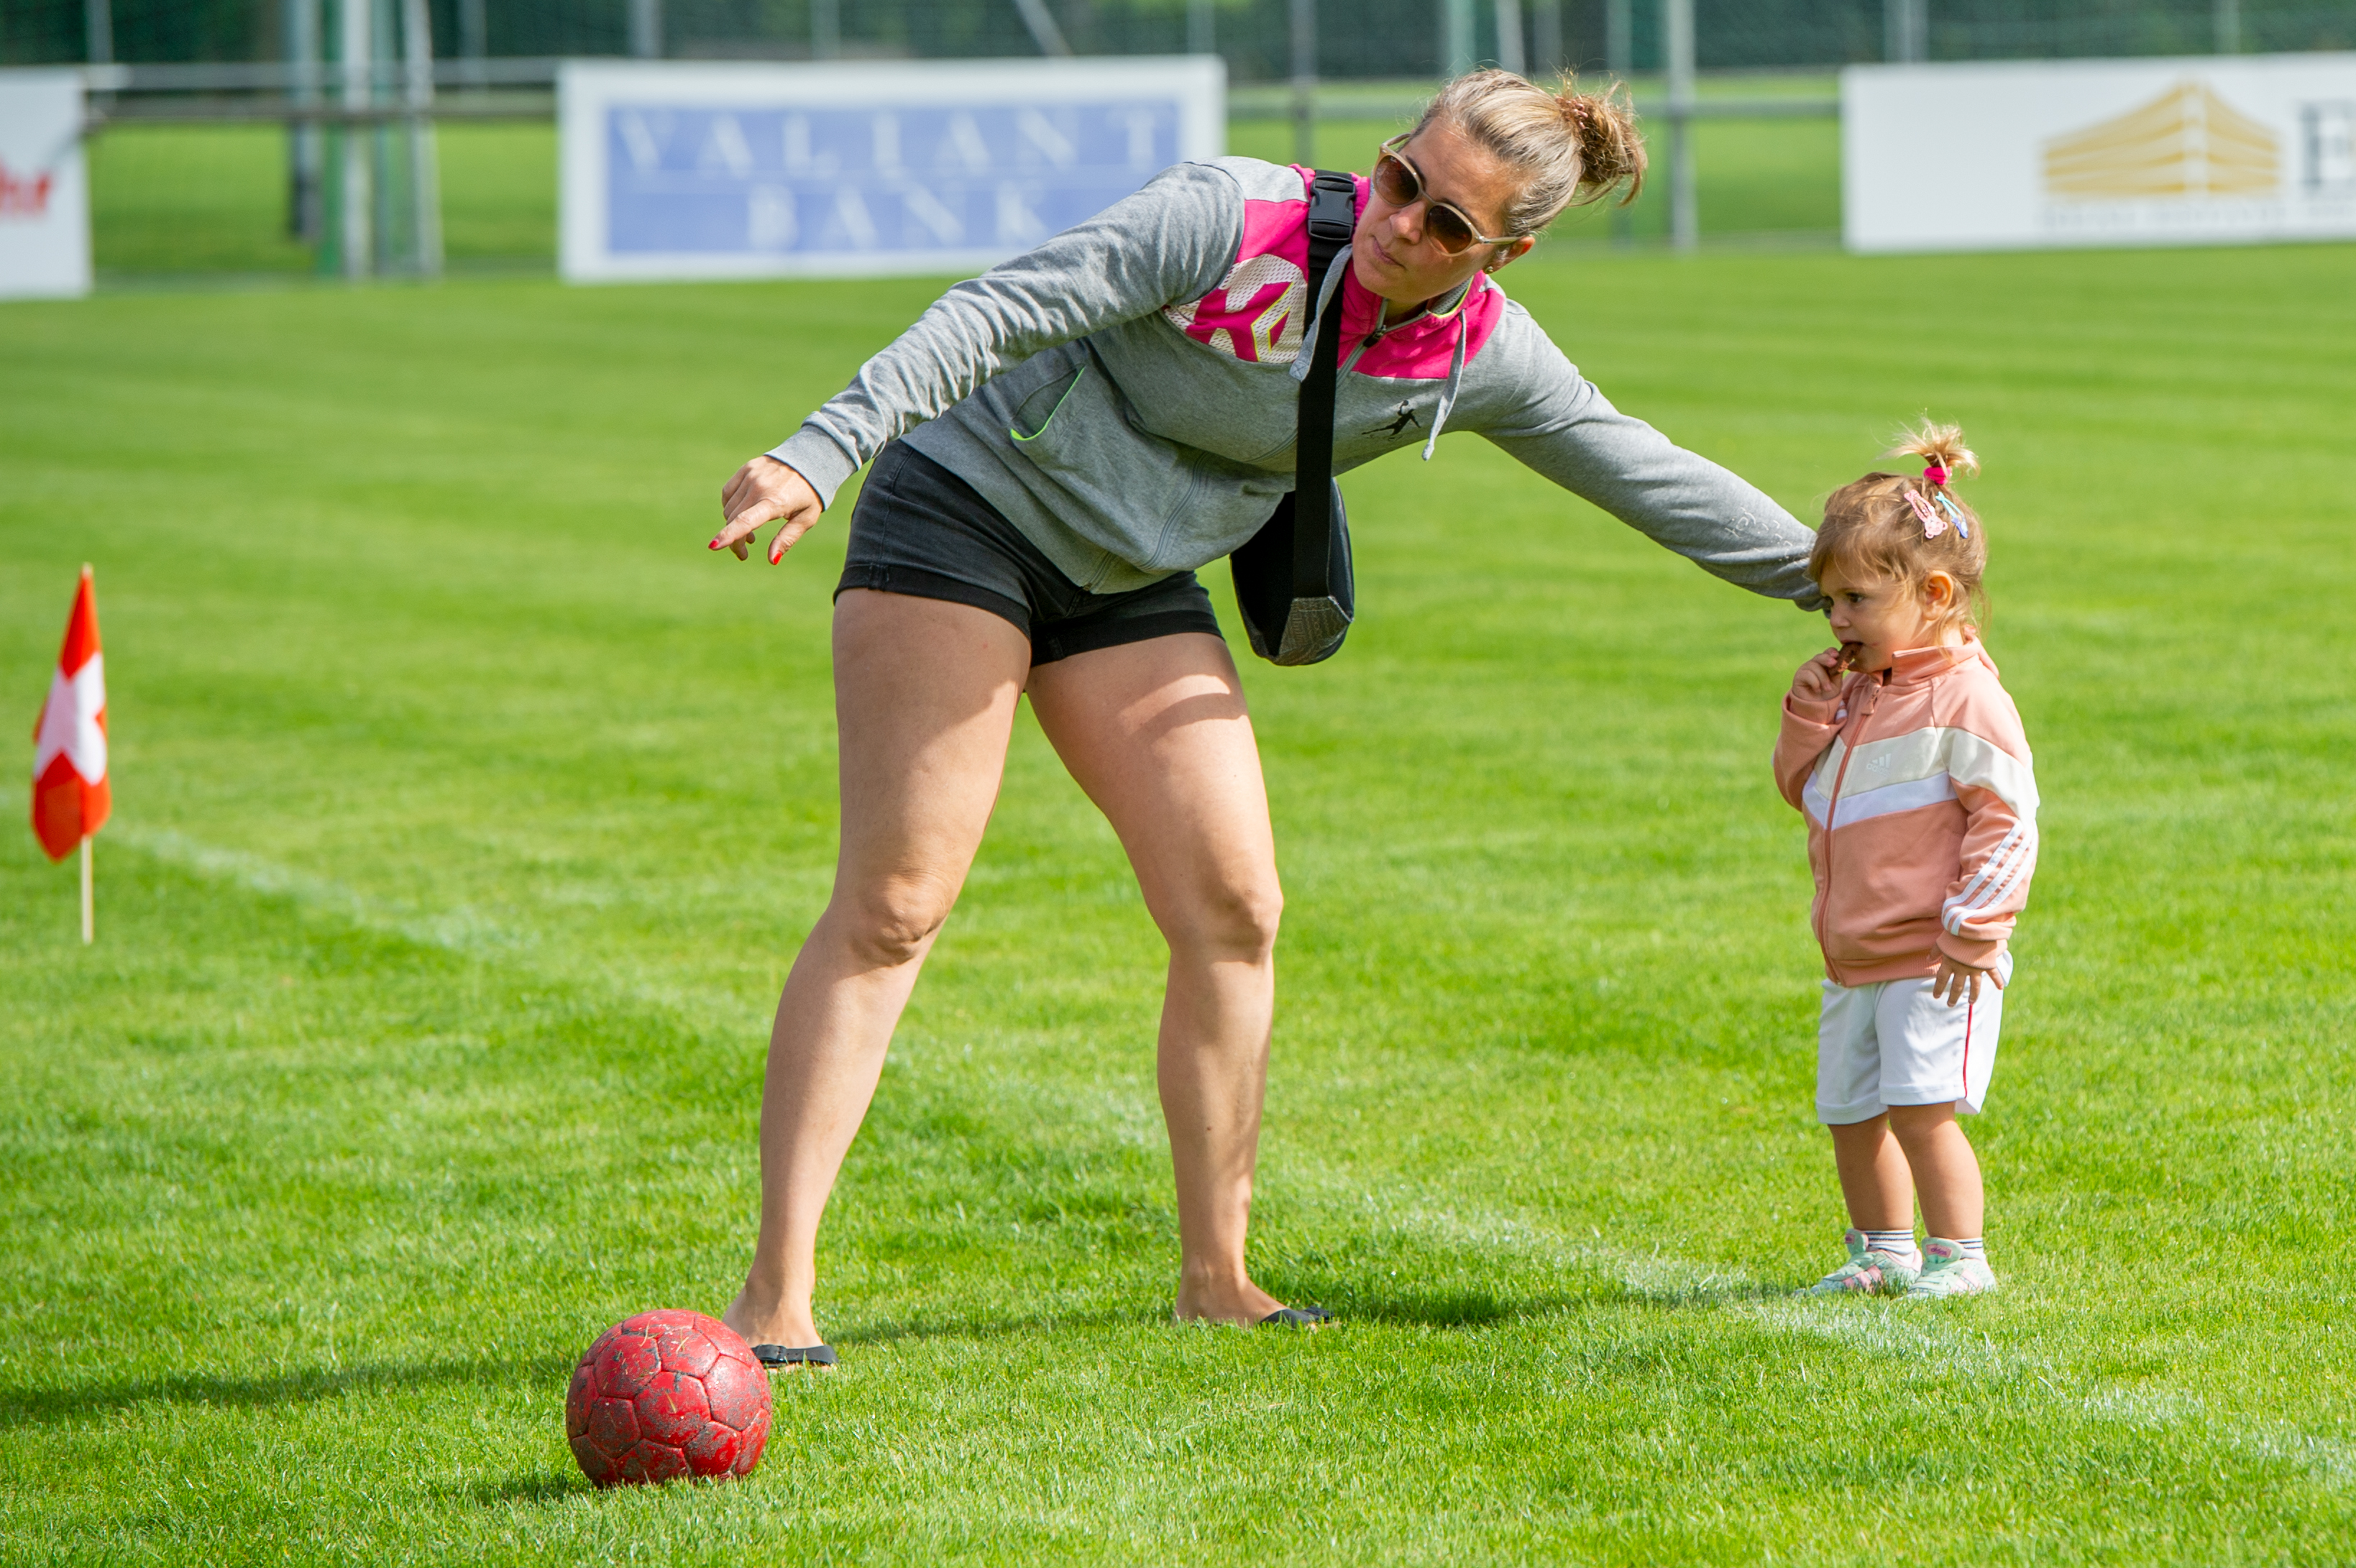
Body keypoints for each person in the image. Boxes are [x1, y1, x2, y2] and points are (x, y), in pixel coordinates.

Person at [708, 68, 1829, 1364]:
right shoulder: (1225, 218)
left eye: (1451, 227)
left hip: (1129, 579)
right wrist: (820, 451)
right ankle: (775, 1296)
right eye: (1405, 183)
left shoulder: (1479, 353)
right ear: (1387, 154)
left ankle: (1217, 1277)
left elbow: (1642, 468)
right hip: (970, 511)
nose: (1407, 226)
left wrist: (1844, 587)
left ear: (1506, 253)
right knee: (898, 899)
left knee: (1234, 905)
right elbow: (998, 310)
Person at [1774, 423, 2038, 1301]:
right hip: (1851, 953)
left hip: (1936, 956)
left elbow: (2009, 821)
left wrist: (1974, 931)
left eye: (1854, 600)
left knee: (1922, 1111)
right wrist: (1808, 720)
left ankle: (1961, 1258)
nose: (1837, 620)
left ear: (1931, 592)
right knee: (1851, 1111)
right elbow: (1806, 795)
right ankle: (1880, 1251)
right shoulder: (1854, 691)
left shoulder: (1968, 697)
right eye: (1829, 604)